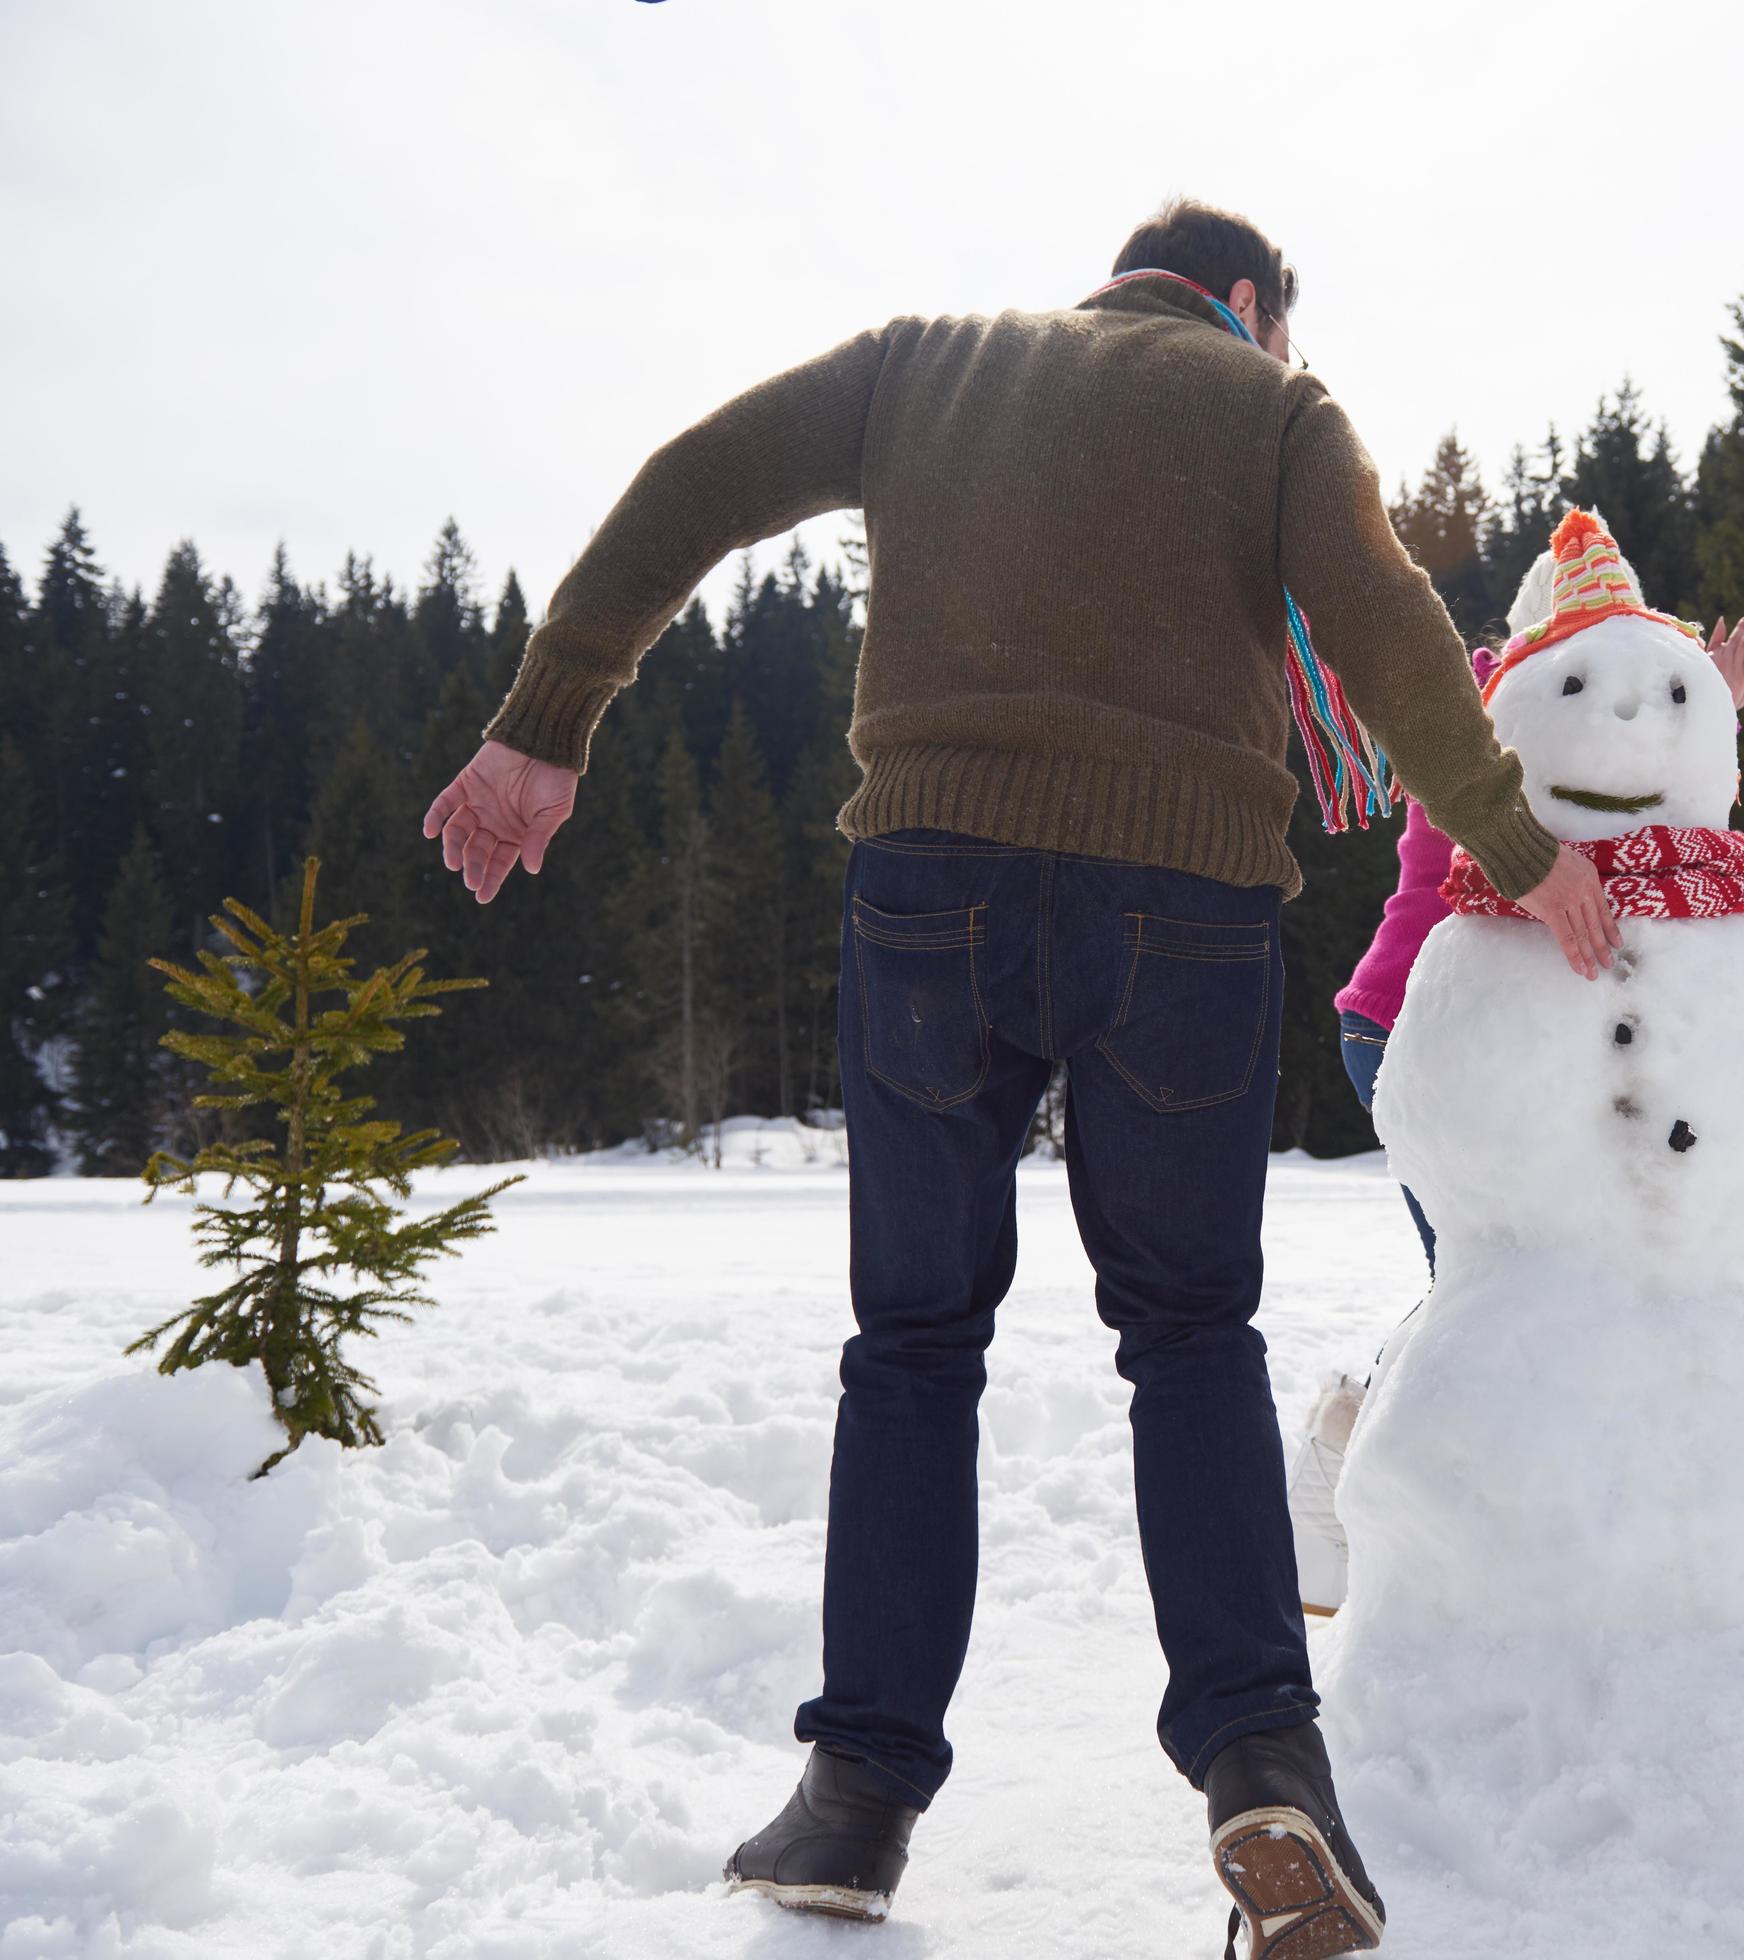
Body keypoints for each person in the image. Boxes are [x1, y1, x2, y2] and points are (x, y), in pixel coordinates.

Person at [420, 199, 1620, 1954]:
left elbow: (695, 477)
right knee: (1191, 1336)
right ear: (1243, 304)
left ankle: (856, 1801)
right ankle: (1259, 1760)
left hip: (933, 896)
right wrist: (1508, 836)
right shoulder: (1274, 413)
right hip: (1186, 910)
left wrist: (547, 719)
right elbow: (1384, 622)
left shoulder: (929, 366)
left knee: (912, 1344)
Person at [1288, 606, 1744, 1617]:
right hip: (1419, 1027)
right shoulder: (1480, 716)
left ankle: (1422, 1481)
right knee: (1494, 1276)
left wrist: (1705, 718)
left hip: (1527, 1044)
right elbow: (1554, 823)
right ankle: (1348, 1456)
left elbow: (1660, 835)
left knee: (1530, 1271)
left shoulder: (1579, 722)